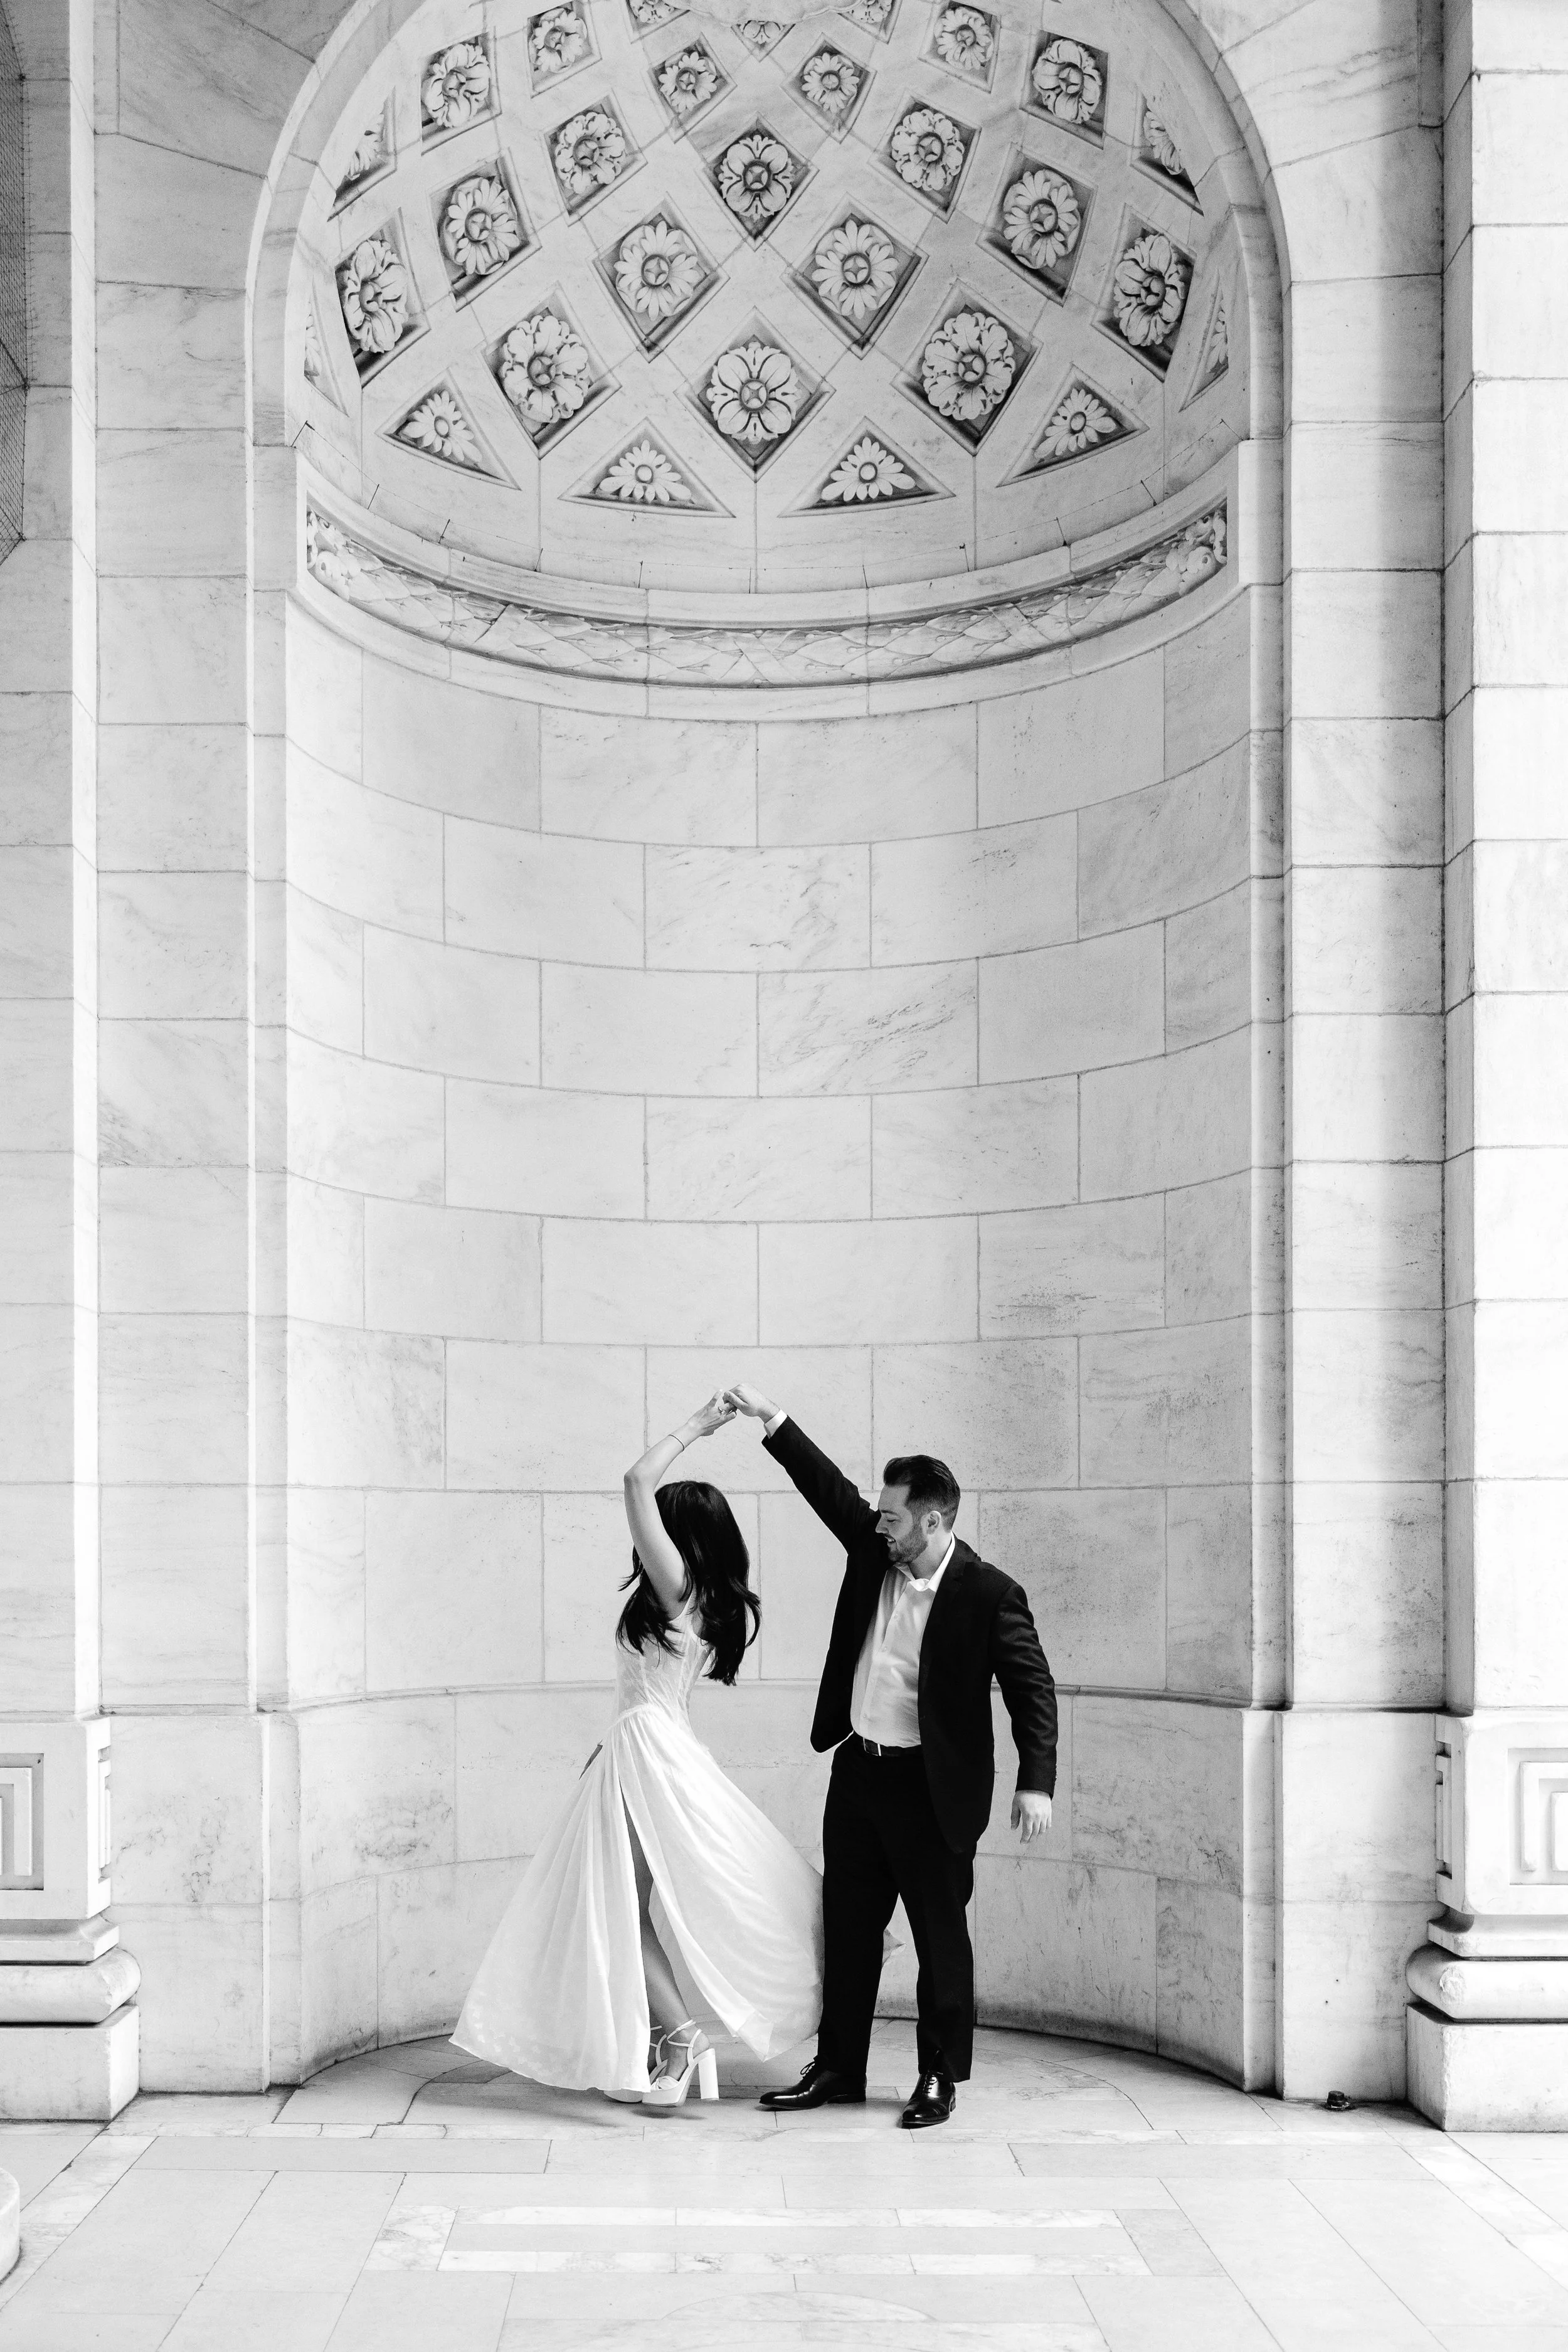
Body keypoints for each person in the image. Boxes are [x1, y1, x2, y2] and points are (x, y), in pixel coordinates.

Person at [452, 1392, 822, 2107]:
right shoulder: (709, 1600)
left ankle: (679, 2039)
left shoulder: (677, 1586)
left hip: (649, 1750)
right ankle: (671, 2042)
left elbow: (632, 1482)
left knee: (623, 1901)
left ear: (680, 1536)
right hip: (648, 1746)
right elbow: (653, 1696)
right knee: (629, 1901)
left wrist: (696, 1427)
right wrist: (607, 1747)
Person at [723, 1384, 1057, 2130]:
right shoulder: (874, 1550)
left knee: (941, 1942)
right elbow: (827, 1490)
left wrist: (1036, 1784)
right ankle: (839, 2066)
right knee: (847, 1930)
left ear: (932, 1521)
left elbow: (1033, 1692)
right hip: (859, 1773)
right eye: (879, 1512)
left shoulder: (991, 1595)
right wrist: (772, 1420)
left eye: (894, 1515)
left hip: (933, 1791)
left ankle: (938, 2077)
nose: (879, 1522)